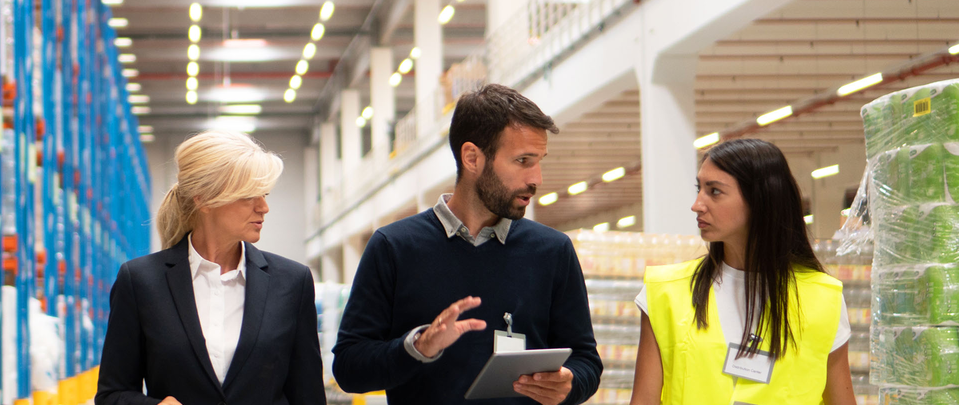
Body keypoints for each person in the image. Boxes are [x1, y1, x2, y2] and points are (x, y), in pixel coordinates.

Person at [331, 84, 602, 405]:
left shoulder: (553, 251)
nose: (537, 178)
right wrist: (418, 347)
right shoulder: (393, 247)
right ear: (472, 157)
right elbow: (348, 368)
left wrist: (569, 383)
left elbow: (586, 361)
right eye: (523, 160)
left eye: (539, 160)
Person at [96, 130, 325, 405]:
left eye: (264, 194)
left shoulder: (292, 282)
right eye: (249, 195)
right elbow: (111, 395)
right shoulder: (140, 281)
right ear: (202, 198)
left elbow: (308, 396)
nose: (264, 207)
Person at [629, 139, 856, 405]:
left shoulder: (823, 298)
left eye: (714, 191)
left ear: (759, 200)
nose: (697, 204)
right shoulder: (665, 292)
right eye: (699, 188)